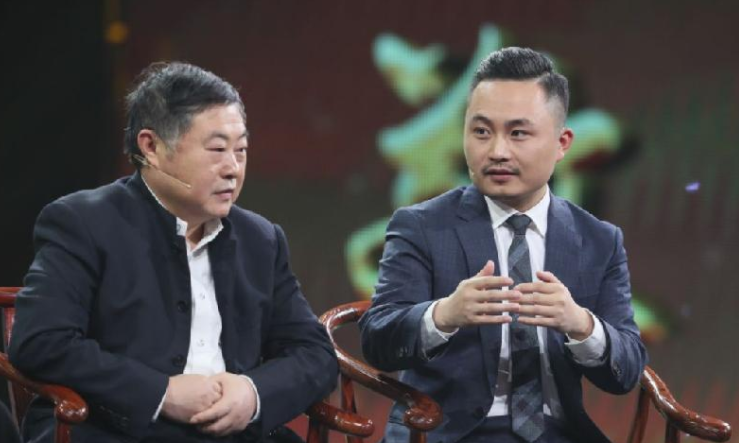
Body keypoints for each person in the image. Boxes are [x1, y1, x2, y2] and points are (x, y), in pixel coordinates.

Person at [8, 62, 337, 443]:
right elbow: (41, 342)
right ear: (151, 147)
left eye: (241, 150)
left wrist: (252, 393)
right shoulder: (82, 222)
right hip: (117, 431)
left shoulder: (260, 239)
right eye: (217, 149)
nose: (233, 168)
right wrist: (161, 393)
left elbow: (315, 354)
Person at [359, 47, 647, 443]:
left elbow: (627, 371)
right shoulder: (421, 226)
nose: (496, 151)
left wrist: (581, 324)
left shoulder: (598, 239)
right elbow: (378, 342)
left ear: (562, 143)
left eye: (518, 133)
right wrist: (443, 315)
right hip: (445, 432)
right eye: (481, 132)